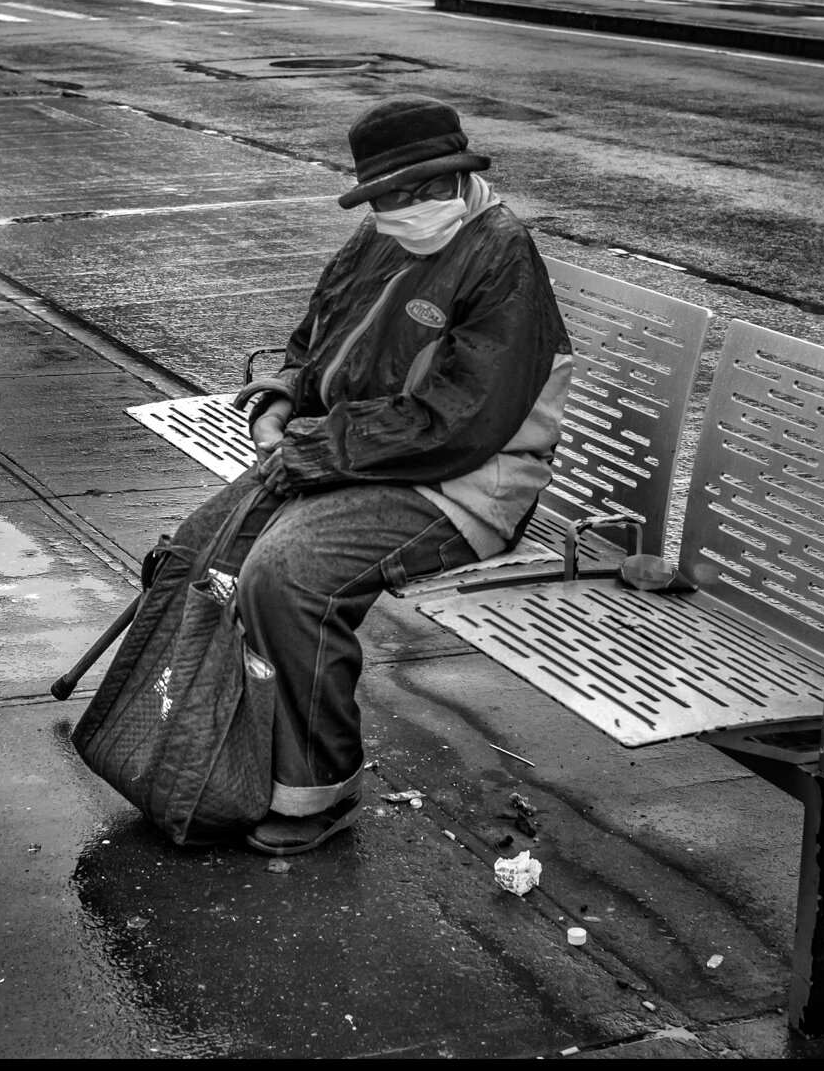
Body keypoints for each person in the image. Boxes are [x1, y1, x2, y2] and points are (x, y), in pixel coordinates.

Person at [175, 95, 575, 856]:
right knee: (194, 553)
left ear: (460, 174)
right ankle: (217, 756)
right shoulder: (377, 239)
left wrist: (313, 449)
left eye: (428, 186)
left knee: (288, 576)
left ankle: (316, 790)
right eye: (391, 194)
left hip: (465, 484)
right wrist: (286, 395)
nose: (410, 206)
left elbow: (462, 419)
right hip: (366, 456)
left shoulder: (499, 253)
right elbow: (317, 338)